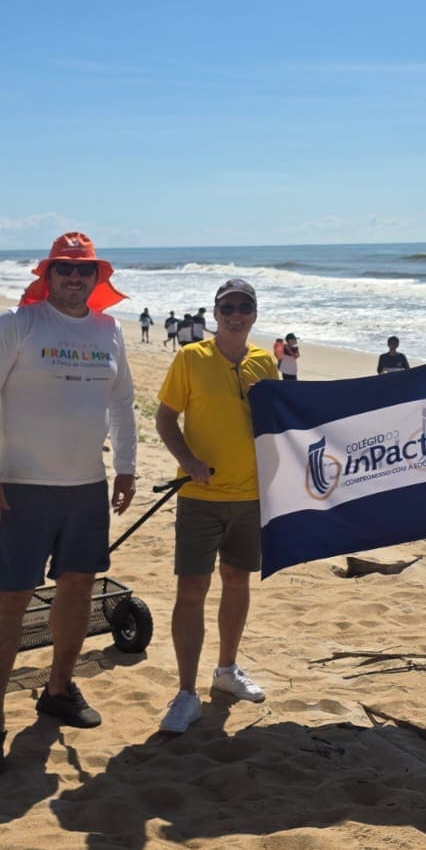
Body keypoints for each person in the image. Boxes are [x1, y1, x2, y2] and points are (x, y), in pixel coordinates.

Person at [0, 232, 137, 774]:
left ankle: (58, 689)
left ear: (97, 276)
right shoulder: (17, 324)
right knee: (8, 600)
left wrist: (126, 466)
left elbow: (122, 403)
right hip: (21, 487)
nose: (74, 277)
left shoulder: (110, 330)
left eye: (84, 270)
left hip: (86, 486)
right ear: (48, 274)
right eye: (65, 268)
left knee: (78, 588)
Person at [154, 278, 278, 733]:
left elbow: (278, 423)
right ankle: (186, 692)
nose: (235, 314)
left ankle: (226, 670)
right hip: (199, 496)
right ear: (215, 313)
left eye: (244, 307)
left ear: (254, 314)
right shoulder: (190, 357)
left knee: (237, 581)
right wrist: (188, 460)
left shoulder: (265, 362)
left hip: (249, 496)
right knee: (192, 588)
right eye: (228, 307)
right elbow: (165, 417)